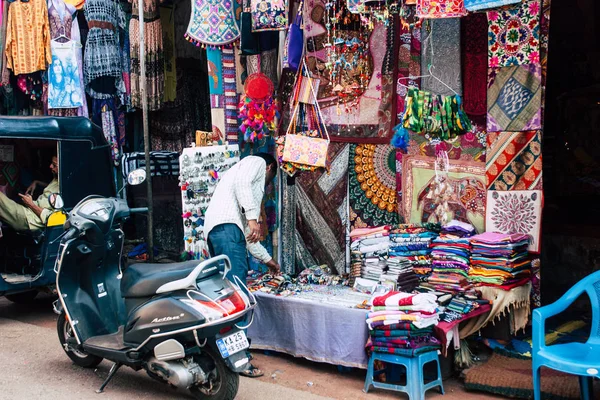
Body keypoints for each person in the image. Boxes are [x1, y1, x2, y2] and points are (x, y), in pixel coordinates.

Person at [203, 152, 280, 378]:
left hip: (221, 231)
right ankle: (238, 358)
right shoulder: (254, 163)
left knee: (227, 294)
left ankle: (226, 351)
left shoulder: (238, 200)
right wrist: (253, 219)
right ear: (270, 168)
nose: (267, 185)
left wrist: (268, 260)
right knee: (237, 297)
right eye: (271, 178)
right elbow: (243, 184)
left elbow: (249, 238)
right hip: (226, 230)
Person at [0, 155, 59, 231]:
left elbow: (52, 218)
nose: (50, 166)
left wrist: (31, 204)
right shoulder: (58, 178)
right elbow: (53, 188)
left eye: (54, 165)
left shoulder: (66, 192)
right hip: (30, 211)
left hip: (31, 220)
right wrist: (37, 182)